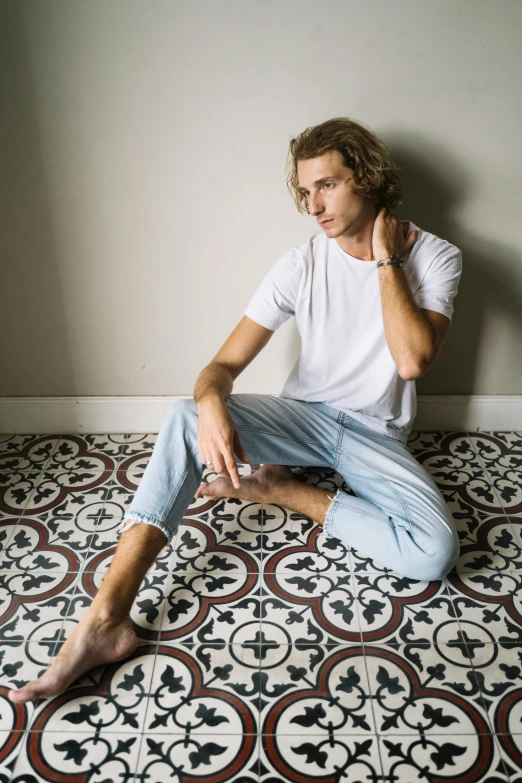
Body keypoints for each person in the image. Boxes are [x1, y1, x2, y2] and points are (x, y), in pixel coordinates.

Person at [9, 116, 462, 704]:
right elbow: (219, 367)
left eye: (326, 185)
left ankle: (275, 491)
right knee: (182, 415)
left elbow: (411, 361)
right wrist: (210, 402)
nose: (312, 206)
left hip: (379, 436)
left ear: (369, 178)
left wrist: (385, 259)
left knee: (435, 552)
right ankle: (105, 619)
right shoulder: (300, 262)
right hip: (305, 420)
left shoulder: (436, 256)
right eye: (305, 191)